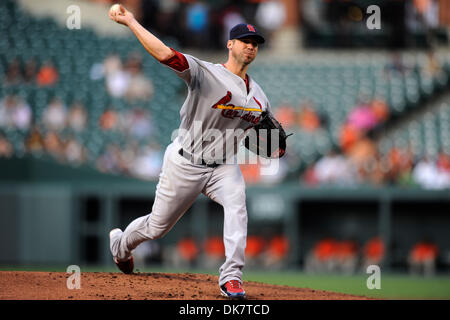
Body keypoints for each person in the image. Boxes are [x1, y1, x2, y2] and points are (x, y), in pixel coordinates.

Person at [108, 5, 270, 299]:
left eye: (255, 43)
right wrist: (132, 20)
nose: (251, 46)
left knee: (237, 206)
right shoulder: (205, 73)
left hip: (223, 167)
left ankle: (231, 276)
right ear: (230, 44)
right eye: (245, 41)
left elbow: (268, 139)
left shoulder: (260, 97)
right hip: (186, 162)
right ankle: (120, 246)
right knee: (157, 227)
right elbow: (164, 54)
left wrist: (273, 144)